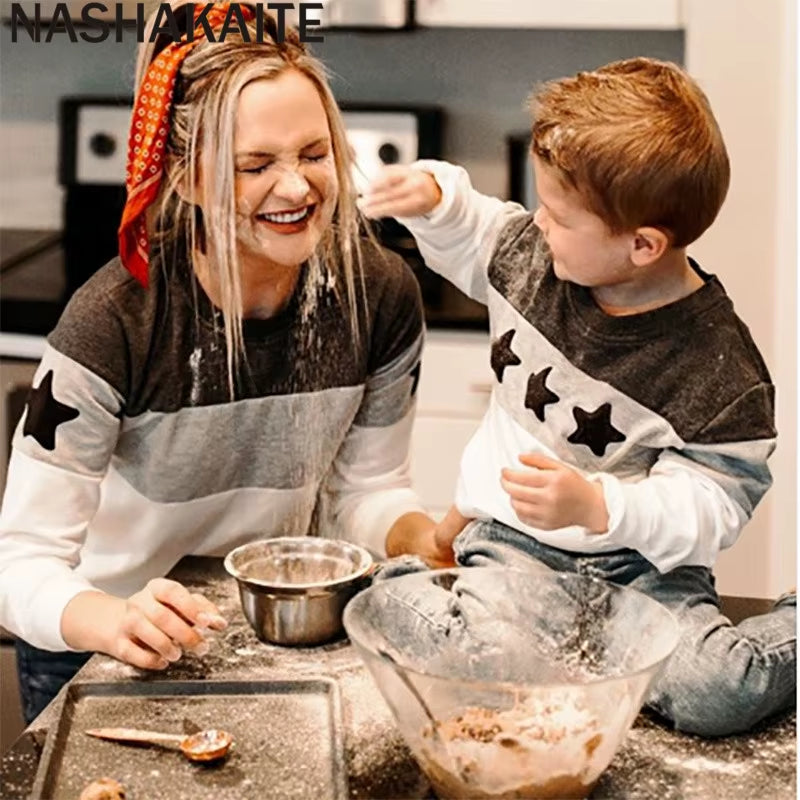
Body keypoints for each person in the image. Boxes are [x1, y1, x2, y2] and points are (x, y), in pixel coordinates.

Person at [0, 1, 442, 725]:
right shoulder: (117, 321)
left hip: (274, 635)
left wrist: (424, 537)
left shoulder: (378, 294)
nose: (297, 188)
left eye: (315, 152)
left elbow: (365, 493)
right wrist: (109, 620)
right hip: (99, 647)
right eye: (255, 165)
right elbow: (18, 566)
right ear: (186, 177)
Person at [360, 57, 796, 737]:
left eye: (560, 217)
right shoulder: (538, 261)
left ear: (643, 244)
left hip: (644, 573)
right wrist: (435, 198)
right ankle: (422, 593)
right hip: (516, 552)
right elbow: (479, 230)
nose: (538, 223)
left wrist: (602, 506)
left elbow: (716, 505)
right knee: (475, 667)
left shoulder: (718, 367)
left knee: (717, 692)